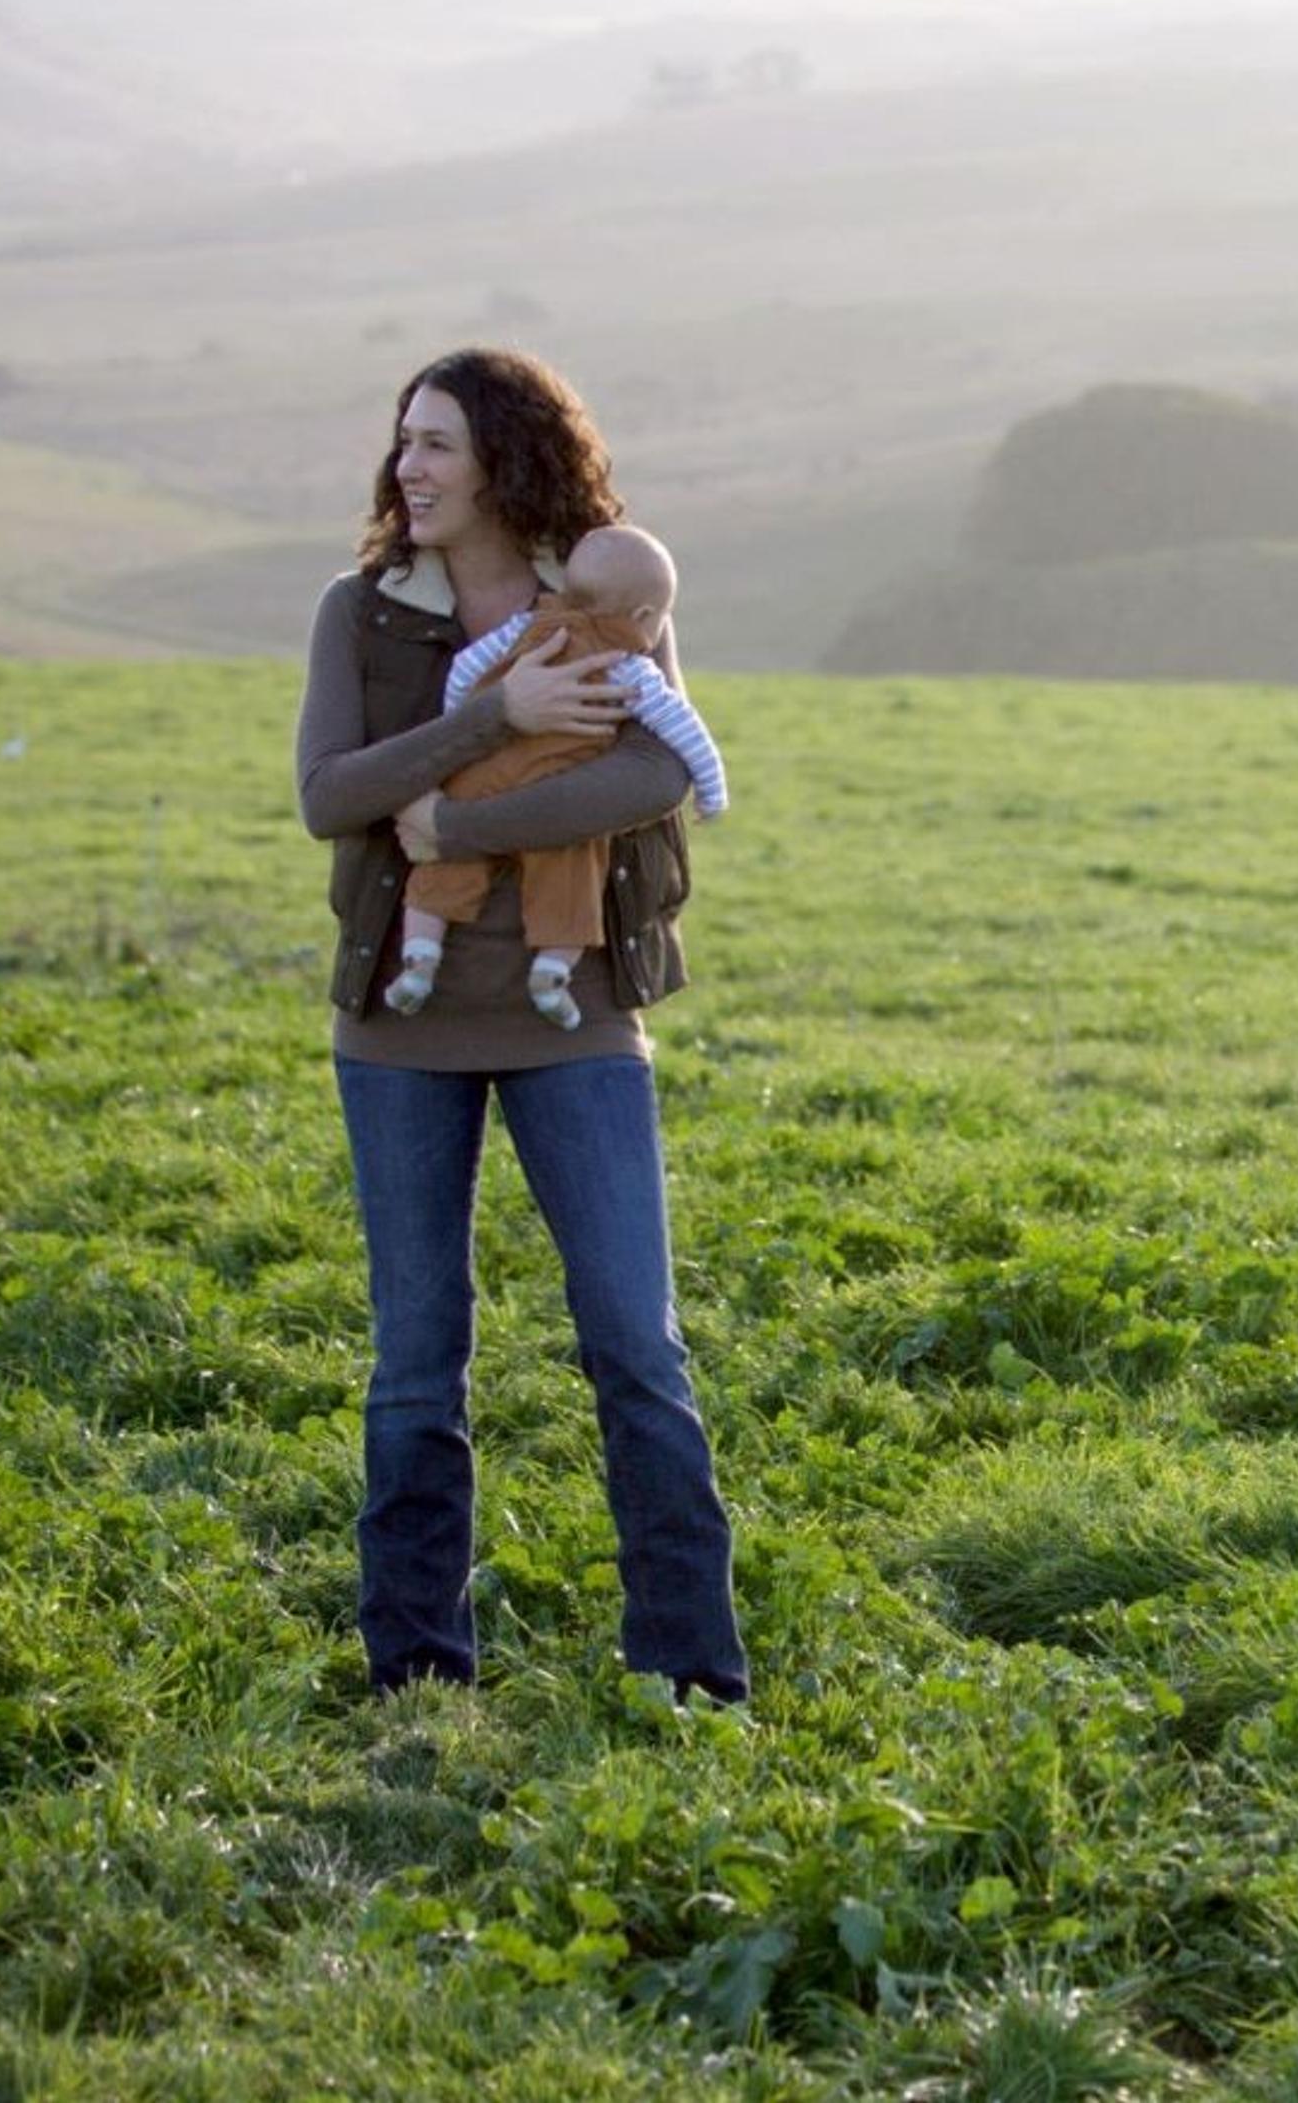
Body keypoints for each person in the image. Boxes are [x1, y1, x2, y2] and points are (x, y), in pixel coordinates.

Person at [292, 345, 747, 1703]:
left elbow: (658, 768)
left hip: (580, 1016)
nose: (407, 469)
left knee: (634, 1344)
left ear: (508, 458)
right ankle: (417, 1673)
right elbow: (328, 794)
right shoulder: (361, 610)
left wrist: (467, 822)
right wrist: (498, 715)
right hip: (400, 1027)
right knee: (416, 1365)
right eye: (402, 442)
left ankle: (691, 1672)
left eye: (436, 444)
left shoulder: (609, 594)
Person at [386, 521, 727, 1032]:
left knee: (443, 865)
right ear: (641, 617)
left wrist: (459, 719)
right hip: (553, 789)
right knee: (573, 868)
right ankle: (551, 971)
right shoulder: (627, 663)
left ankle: (418, 957)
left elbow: (467, 669)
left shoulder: (531, 626)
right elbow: (682, 726)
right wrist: (712, 789)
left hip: (485, 773)